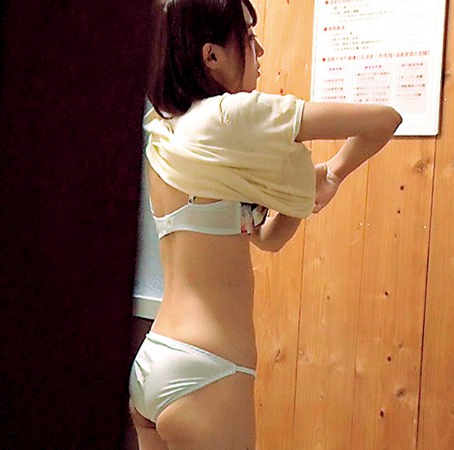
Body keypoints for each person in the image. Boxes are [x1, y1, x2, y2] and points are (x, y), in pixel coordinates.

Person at [128, 0, 402, 448]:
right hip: (209, 368)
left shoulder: (167, 128)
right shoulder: (230, 115)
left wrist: (299, 193)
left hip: (155, 361)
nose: (260, 51)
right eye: (249, 38)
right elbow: (384, 120)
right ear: (212, 55)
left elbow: (268, 239)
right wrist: (333, 174)